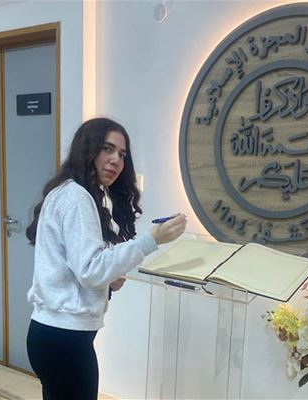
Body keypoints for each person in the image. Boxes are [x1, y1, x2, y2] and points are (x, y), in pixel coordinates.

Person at [25, 117, 187, 400]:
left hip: (51, 334)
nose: (116, 160)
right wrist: (151, 240)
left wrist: (107, 278)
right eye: (107, 149)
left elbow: (77, 264)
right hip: (65, 338)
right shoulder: (77, 197)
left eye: (122, 154)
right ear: (87, 149)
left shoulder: (66, 191)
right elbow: (90, 271)